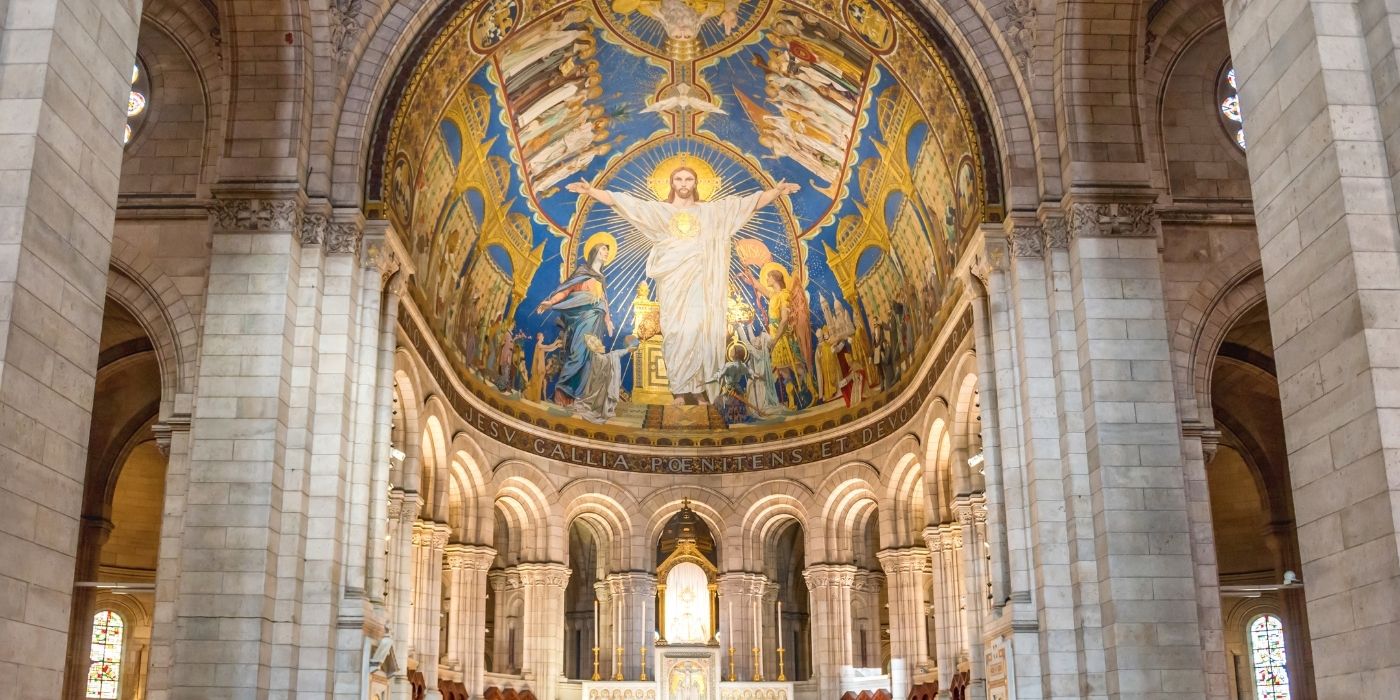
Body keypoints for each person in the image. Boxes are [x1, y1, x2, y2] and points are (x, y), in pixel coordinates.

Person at [564, 168, 799, 405]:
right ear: (672, 183)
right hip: (672, 284)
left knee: (698, 331)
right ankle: (678, 390)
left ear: (696, 183)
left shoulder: (710, 212)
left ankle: (697, 390)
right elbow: (627, 204)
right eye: (678, 179)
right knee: (674, 332)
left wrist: (776, 192)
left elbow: (747, 205)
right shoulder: (661, 212)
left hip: (700, 284)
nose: (684, 183)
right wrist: (591, 191)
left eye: (689, 178)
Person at [535, 235, 615, 405]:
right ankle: (561, 393)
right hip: (581, 318)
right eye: (603, 249)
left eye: (607, 251)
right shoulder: (582, 271)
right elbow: (566, 290)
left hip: (596, 321)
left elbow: (604, 301)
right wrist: (551, 302)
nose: (606, 253)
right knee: (578, 354)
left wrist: (608, 321)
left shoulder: (602, 278)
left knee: (589, 359)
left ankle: (574, 397)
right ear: (595, 252)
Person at [572, 334, 638, 423]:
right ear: (593, 346)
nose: (599, 341)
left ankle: (602, 408)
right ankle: (599, 410)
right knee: (600, 403)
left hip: (602, 386)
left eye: (597, 339)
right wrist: (627, 350)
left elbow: (611, 356)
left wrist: (626, 350)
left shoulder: (599, 356)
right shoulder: (597, 357)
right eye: (595, 341)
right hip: (600, 388)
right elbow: (611, 358)